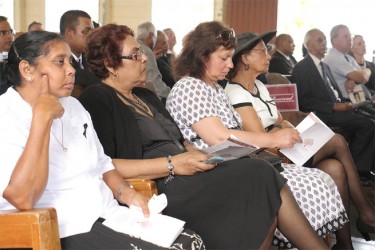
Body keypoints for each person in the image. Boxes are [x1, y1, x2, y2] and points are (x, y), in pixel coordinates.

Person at [79, 22, 329, 249]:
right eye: (135, 55)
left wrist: (204, 156)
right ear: (110, 65)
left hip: (188, 170)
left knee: (261, 188)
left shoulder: (145, 96)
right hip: (161, 185)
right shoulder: (97, 98)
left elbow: (180, 141)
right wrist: (171, 164)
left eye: (142, 52)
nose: (145, 58)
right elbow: (105, 165)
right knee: (260, 174)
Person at [0, 30, 204, 250]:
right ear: (27, 69)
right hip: (62, 226)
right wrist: (41, 118)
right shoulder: (7, 115)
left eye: (70, 61)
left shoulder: (74, 106)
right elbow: (21, 198)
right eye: (59, 62)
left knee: (191, 241)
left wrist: (127, 193)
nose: (71, 70)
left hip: (105, 213)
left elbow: (102, 164)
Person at [224, 31, 375, 247]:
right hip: (272, 158)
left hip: (285, 145)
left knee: (336, 169)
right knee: (338, 140)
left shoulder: (259, 86)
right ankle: (366, 213)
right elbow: (263, 140)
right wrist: (279, 130)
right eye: (263, 51)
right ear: (245, 58)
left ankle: (345, 244)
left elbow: (281, 122)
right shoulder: (236, 93)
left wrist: (280, 129)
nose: (269, 56)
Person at [291, 28, 375, 184]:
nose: (324, 44)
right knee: (368, 125)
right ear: (308, 45)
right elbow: (304, 101)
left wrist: (346, 101)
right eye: (319, 40)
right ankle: (357, 171)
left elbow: (334, 92)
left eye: (324, 40)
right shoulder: (302, 67)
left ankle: (364, 168)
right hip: (322, 114)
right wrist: (334, 107)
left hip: (338, 108)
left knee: (369, 119)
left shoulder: (324, 67)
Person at [323, 25, 374, 116]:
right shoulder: (334, 57)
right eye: (345, 36)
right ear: (334, 40)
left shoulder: (348, 58)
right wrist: (361, 75)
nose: (349, 39)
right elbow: (363, 78)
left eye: (350, 36)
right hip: (350, 105)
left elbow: (365, 73)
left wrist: (354, 79)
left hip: (363, 101)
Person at [59, 10, 101, 97]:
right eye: (86, 31)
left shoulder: (90, 56)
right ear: (69, 33)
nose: (91, 36)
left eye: (92, 32)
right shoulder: (57, 60)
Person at [136, 21, 170, 103]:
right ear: (151, 35)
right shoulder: (146, 51)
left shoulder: (136, 46)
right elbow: (154, 81)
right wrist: (171, 93)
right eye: (155, 37)